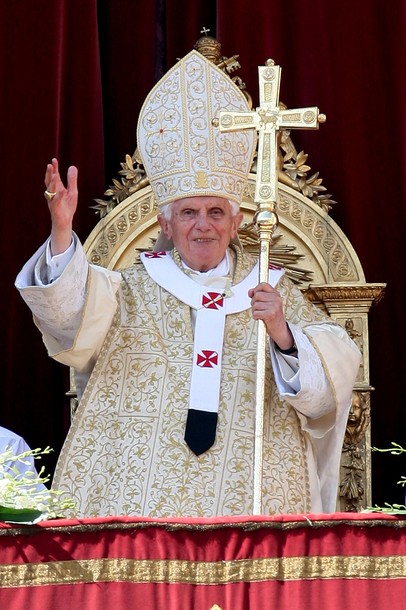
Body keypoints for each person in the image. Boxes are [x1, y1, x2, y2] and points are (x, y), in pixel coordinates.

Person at [15, 50, 361, 518]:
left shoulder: (271, 290)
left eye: (216, 212)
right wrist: (61, 231)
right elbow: (65, 319)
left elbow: (331, 387)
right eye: (189, 213)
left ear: (236, 223)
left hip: (251, 491)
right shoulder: (129, 291)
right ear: (166, 223)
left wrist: (283, 334)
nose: (203, 225)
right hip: (140, 493)